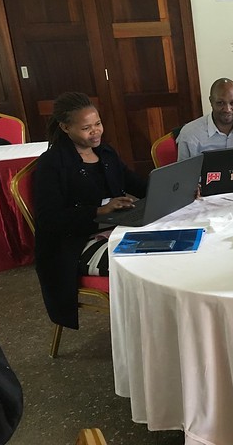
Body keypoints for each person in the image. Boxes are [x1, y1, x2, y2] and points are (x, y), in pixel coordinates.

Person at [34, 92, 147, 330]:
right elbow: (48, 220)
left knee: (166, 246)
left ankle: (151, 321)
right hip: (72, 246)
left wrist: (171, 188)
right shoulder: (52, 164)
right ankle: (141, 328)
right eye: (86, 128)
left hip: (112, 228)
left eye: (98, 124)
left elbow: (137, 184)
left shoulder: (105, 154)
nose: (95, 131)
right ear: (65, 127)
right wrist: (99, 210)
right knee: (144, 261)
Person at [176, 78, 233, 160]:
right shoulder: (189, 134)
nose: (227, 109)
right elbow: (183, 172)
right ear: (211, 101)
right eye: (220, 103)